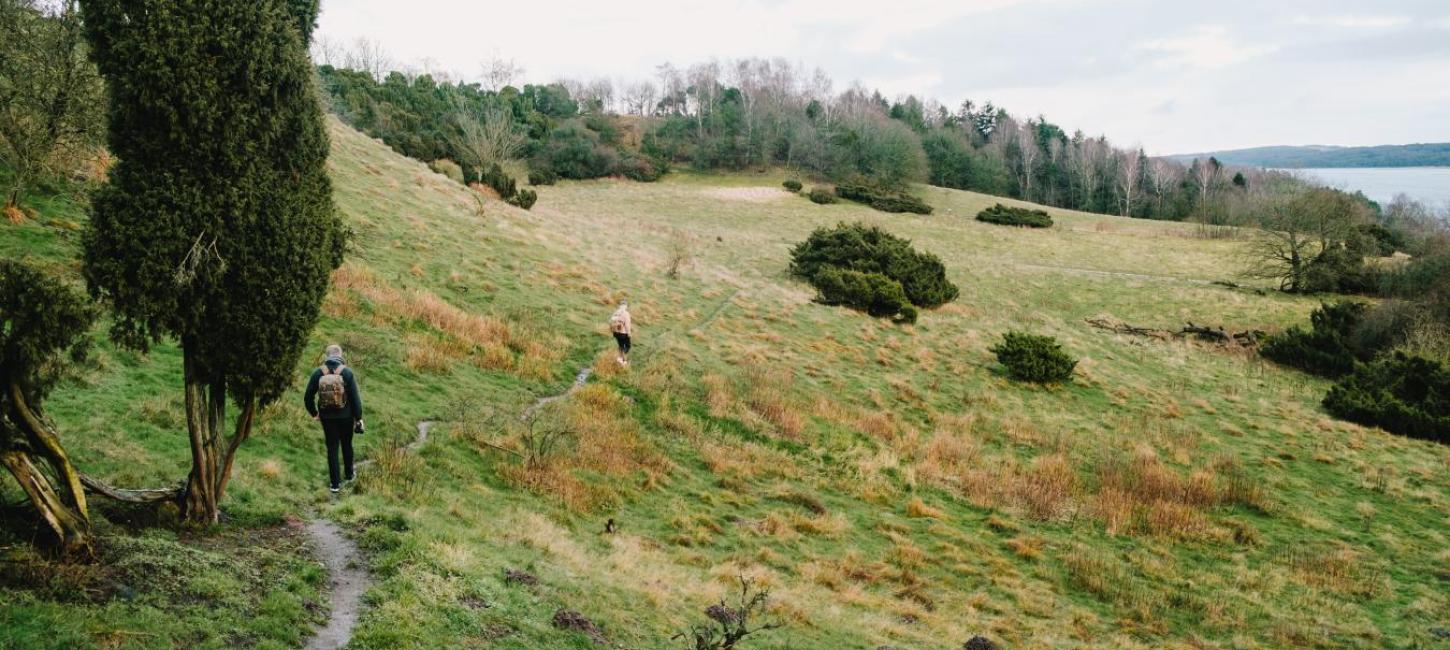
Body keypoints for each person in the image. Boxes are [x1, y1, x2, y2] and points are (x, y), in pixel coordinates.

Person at [304, 344, 364, 493]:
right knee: (346, 444)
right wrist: (358, 418)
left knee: (332, 448)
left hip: (327, 417)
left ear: (327, 356)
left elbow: (307, 397)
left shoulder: (318, 373)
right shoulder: (347, 373)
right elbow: (356, 399)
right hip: (346, 416)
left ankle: (335, 484)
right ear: (340, 355)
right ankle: (349, 475)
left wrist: (314, 413)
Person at [609, 300, 633, 366]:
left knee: (620, 345)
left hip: (616, 332)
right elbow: (627, 325)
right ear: (626, 306)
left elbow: (611, 320)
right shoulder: (626, 313)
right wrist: (629, 333)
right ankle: (623, 361)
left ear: (620, 305)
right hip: (623, 333)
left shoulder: (616, 312)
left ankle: (620, 358)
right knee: (627, 346)